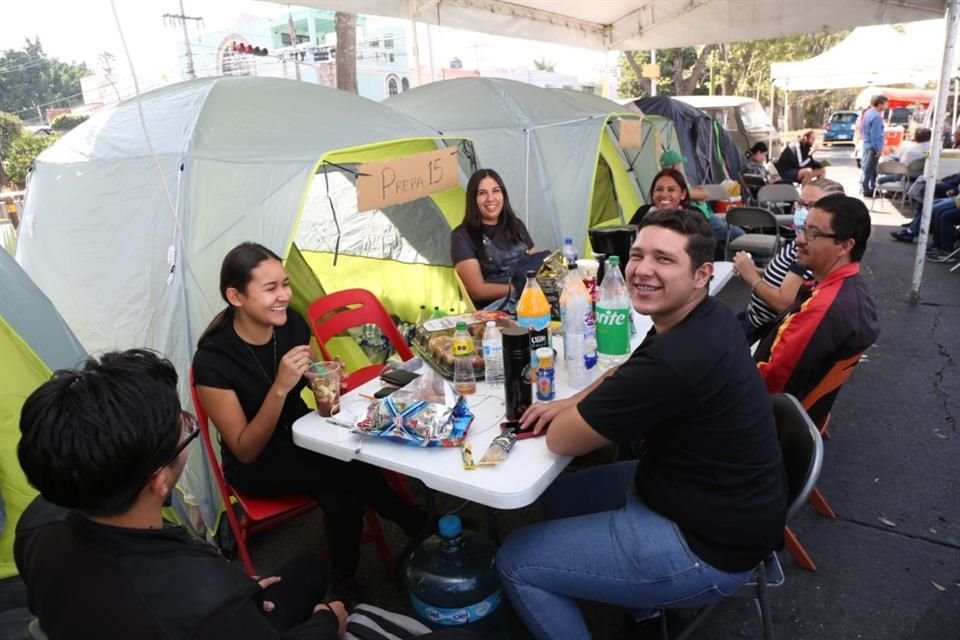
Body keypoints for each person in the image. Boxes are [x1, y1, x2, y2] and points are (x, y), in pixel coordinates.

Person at [496, 209, 788, 640]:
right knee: (557, 496)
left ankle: (643, 593)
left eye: (664, 260)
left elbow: (562, 440)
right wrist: (574, 400)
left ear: (701, 274)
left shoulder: (678, 359)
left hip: (706, 547)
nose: (643, 270)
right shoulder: (704, 316)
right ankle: (642, 605)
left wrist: (569, 415)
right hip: (706, 495)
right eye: (637, 255)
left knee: (515, 560)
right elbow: (625, 372)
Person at [14, 349, 344, 639]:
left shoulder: (37, 523)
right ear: (158, 481)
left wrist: (236, 593)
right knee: (327, 599)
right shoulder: (205, 598)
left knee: (307, 569)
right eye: (183, 427)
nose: (187, 427)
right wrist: (327, 623)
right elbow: (199, 607)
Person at [193, 242, 426, 598]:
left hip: (303, 435)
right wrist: (280, 388)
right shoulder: (213, 361)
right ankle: (411, 520)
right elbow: (245, 451)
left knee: (342, 486)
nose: (284, 295)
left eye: (285, 284)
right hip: (258, 464)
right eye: (270, 288)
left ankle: (345, 581)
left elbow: (318, 384)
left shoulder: (291, 325)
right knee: (346, 470)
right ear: (235, 296)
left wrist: (327, 380)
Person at [755, 195, 879, 425]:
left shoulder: (823, 309)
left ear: (845, 245)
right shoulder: (854, 289)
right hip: (805, 413)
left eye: (814, 233)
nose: (799, 239)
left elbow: (770, 383)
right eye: (802, 228)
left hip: (768, 422)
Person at [733, 178, 845, 343]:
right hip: (754, 319)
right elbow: (790, 275)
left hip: (763, 333)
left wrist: (751, 277)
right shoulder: (804, 237)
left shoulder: (812, 248)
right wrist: (757, 271)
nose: (803, 210)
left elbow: (783, 304)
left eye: (813, 206)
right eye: (801, 203)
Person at [450, 168, 538, 311]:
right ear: (473, 199)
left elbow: (536, 264)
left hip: (531, 302)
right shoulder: (461, 236)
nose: (490, 198)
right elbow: (478, 291)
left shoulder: (516, 225)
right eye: (482, 193)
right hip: (494, 313)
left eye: (496, 191)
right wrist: (522, 288)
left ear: (503, 195)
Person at [629, 168, 743, 260]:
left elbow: (709, 249)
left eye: (671, 190)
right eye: (659, 189)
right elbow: (628, 241)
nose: (664, 195)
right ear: (653, 194)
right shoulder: (643, 212)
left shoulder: (693, 215)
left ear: (683, 194)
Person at [859, 95, 889, 196]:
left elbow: (862, 129)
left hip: (867, 145)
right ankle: (867, 189)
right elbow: (875, 135)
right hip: (873, 147)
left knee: (869, 169)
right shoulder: (876, 116)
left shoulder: (868, 113)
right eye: (885, 103)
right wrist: (878, 149)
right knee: (870, 170)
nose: (887, 105)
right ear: (880, 104)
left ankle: (870, 189)